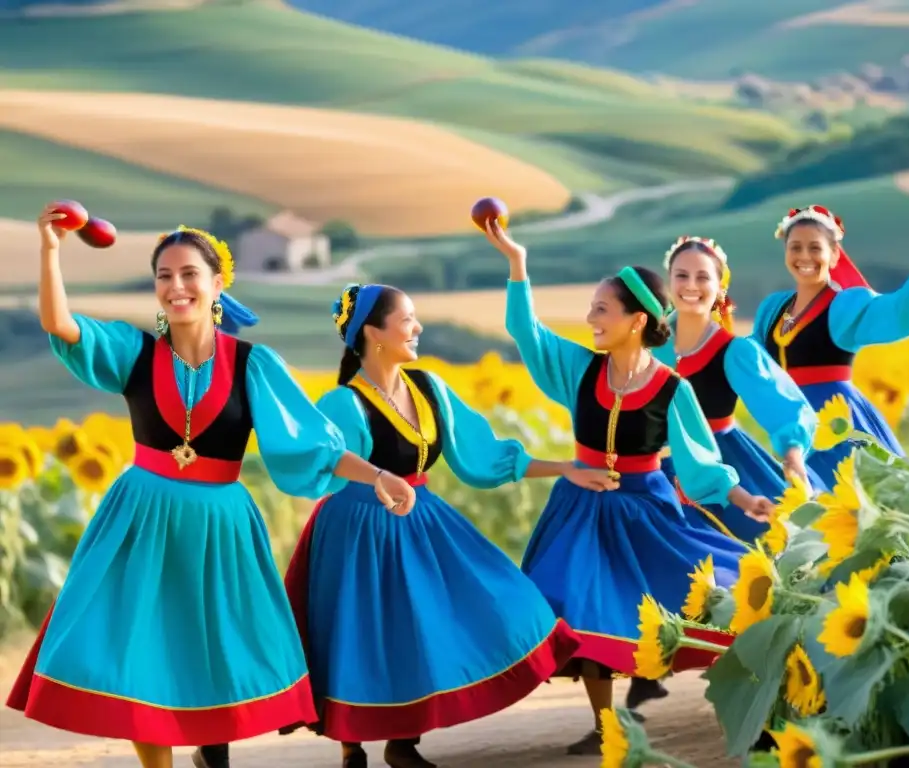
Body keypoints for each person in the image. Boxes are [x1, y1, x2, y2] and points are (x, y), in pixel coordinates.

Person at [6, 205, 415, 768]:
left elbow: (310, 443)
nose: (177, 287)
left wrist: (378, 475)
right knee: (136, 649)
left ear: (217, 283)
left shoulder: (253, 365)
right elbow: (60, 325)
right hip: (141, 518)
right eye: (164, 276)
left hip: (221, 523)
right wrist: (51, 249)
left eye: (189, 274)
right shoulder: (134, 353)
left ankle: (211, 749)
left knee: (215, 646)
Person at [275, 283, 611, 768]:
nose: (418, 327)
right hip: (356, 528)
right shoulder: (343, 403)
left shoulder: (429, 390)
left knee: (445, 617)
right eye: (407, 318)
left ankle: (402, 742)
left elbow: (482, 456)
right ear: (373, 332)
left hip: (419, 520)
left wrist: (564, 467)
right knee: (358, 629)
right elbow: (324, 458)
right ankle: (353, 744)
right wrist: (377, 478)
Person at [481, 222, 775, 756]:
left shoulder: (671, 388)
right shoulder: (580, 370)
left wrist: (741, 499)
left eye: (601, 310)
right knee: (578, 607)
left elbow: (701, 461)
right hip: (580, 511)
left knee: (705, 602)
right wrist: (517, 264)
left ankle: (763, 700)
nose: (590, 319)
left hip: (646, 512)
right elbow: (527, 332)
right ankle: (604, 724)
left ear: (636, 320)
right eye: (592, 308)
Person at [626, 235, 826, 716]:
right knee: (655, 558)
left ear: (720, 289)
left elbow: (782, 407)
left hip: (727, 460)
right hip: (662, 469)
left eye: (702, 277)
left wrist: (793, 455)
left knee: (755, 568)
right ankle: (650, 665)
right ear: (668, 284)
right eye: (681, 276)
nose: (691, 286)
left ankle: (774, 675)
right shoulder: (645, 345)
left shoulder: (732, 351)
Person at [753, 205, 909, 480]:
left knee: (858, 504)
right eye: (795, 247)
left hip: (837, 425)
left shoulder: (845, 306)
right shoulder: (773, 308)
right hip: (790, 428)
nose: (804, 256)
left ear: (834, 255)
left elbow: (901, 312)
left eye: (815, 248)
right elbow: (748, 359)